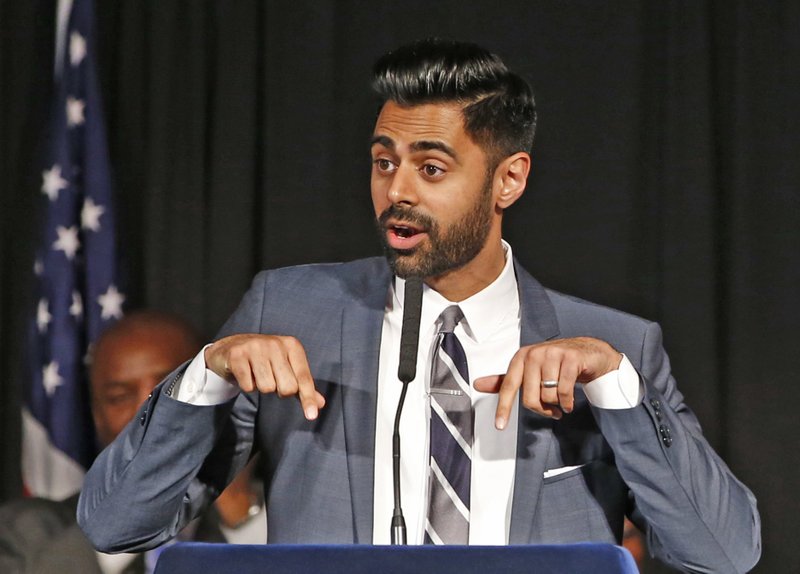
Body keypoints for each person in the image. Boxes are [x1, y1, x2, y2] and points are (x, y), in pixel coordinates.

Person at [77, 39, 761, 573]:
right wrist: (206, 377)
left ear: (508, 179)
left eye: (430, 168)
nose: (396, 190)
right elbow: (117, 525)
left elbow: (724, 554)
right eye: (383, 161)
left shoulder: (612, 347)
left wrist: (614, 389)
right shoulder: (288, 310)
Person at [0, 311, 265, 574]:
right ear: (97, 416)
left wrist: (237, 504)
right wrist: (123, 525)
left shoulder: (280, 514)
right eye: (119, 397)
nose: (145, 412)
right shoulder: (22, 535)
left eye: (171, 392)